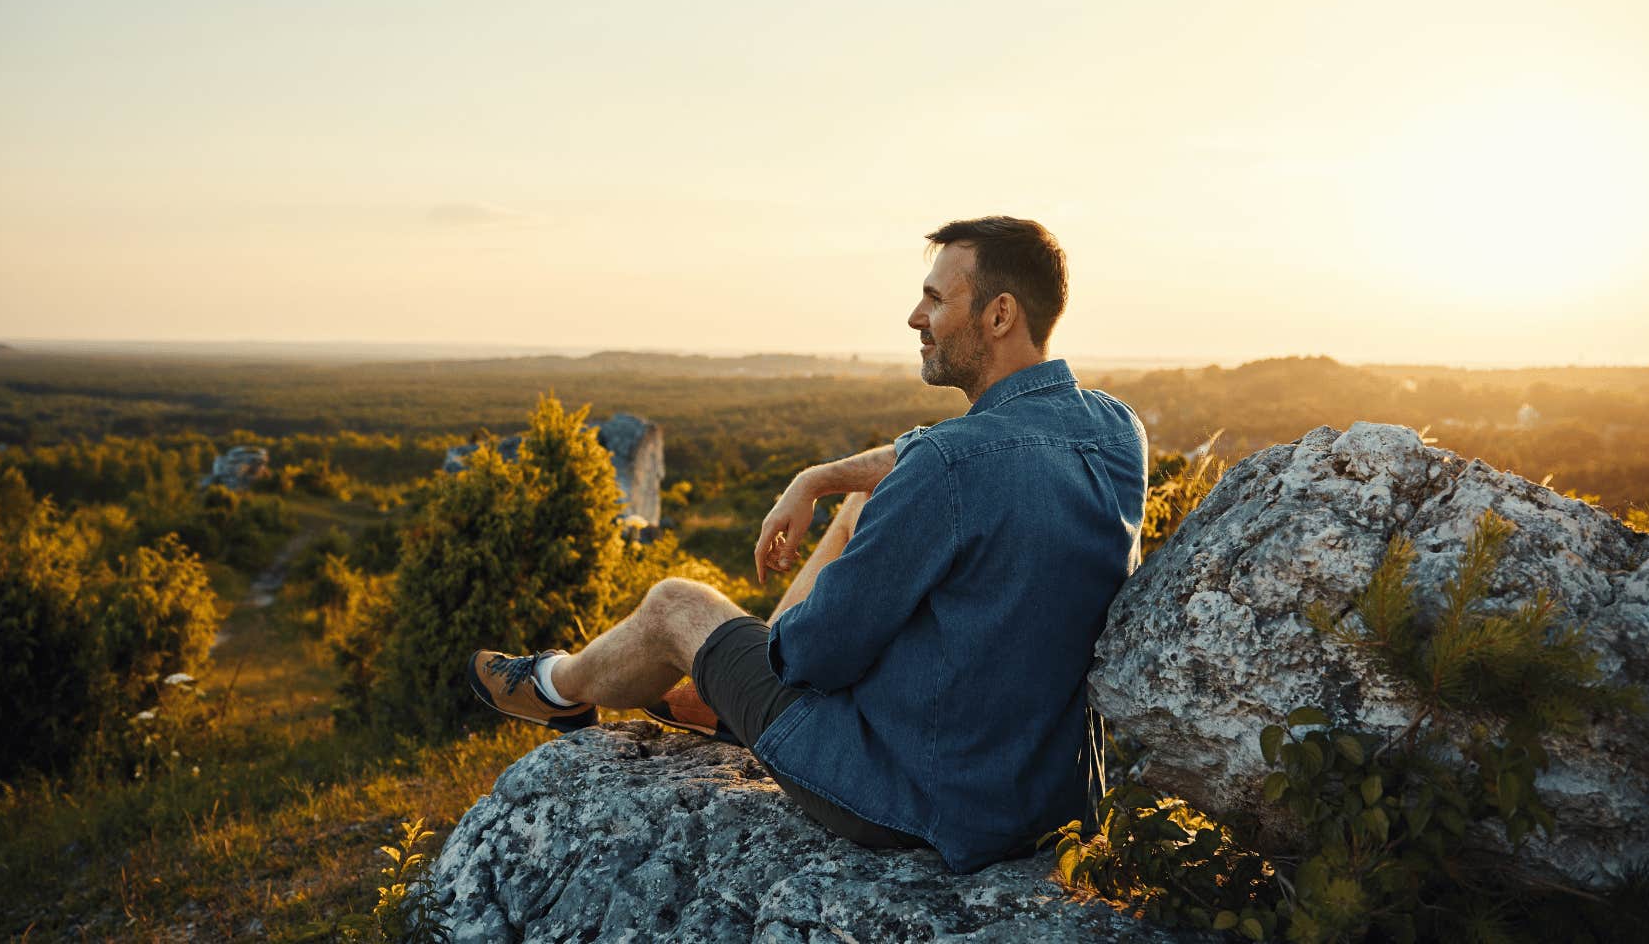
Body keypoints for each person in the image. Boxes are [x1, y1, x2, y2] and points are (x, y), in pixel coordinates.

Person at [466, 216, 1147, 872]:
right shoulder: (1118, 432)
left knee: (677, 604)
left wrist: (750, 657)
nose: (916, 317)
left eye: (936, 300)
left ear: (998, 317)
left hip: (919, 797)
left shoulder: (949, 469)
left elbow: (812, 657)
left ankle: (554, 688)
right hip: (1053, 800)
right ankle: (715, 699)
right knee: (863, 503)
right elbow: (936, 457)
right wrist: (819, 478)